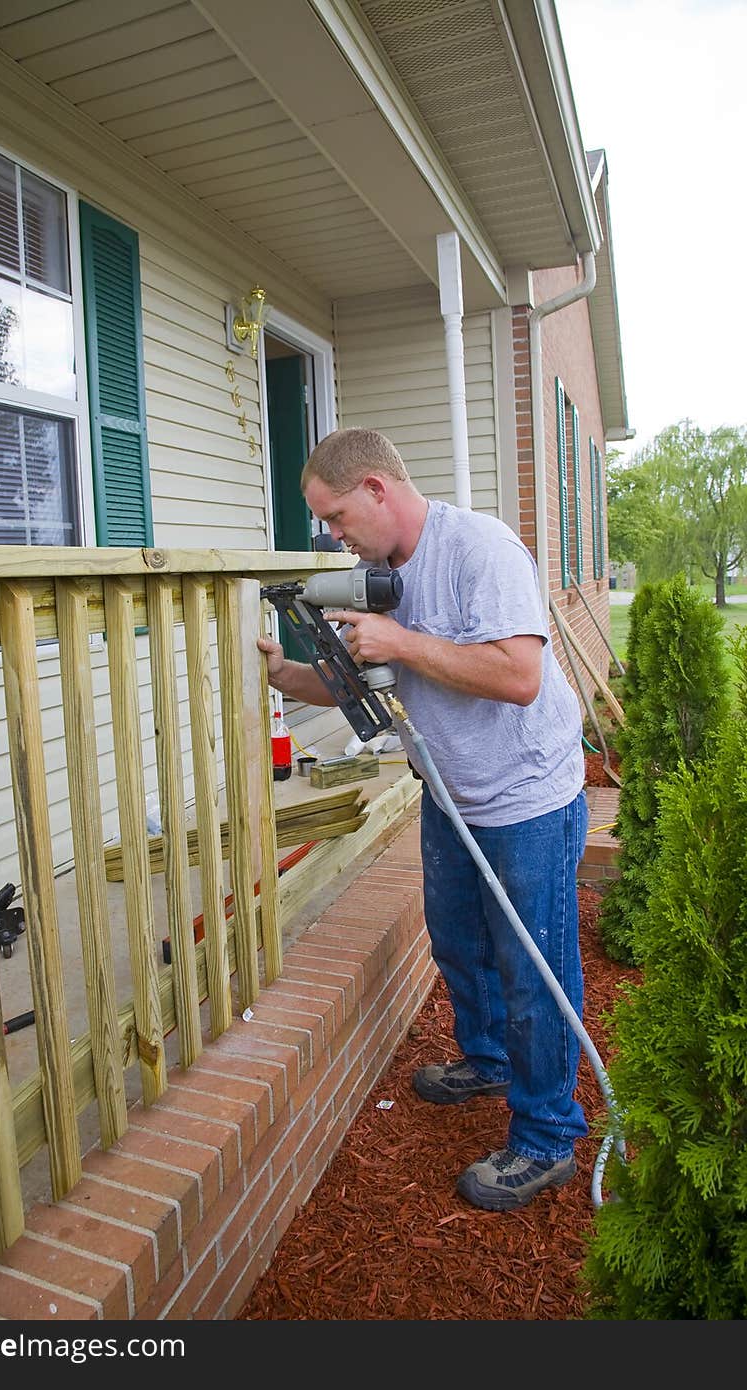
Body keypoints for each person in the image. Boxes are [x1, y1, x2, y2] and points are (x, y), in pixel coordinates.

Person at [257, 427, 589, 1212]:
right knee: (459, 941)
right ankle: (489, 1059)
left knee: (532, 969)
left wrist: (402, 639)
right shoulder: (374, 575)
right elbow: (358, 685)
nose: (334, 536)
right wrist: (283, 672)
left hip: (528, 795)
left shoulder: (481, 550)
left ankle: (547, 1136)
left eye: (336, 516)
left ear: (377, 488)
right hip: (450, 792)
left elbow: (517, 674)